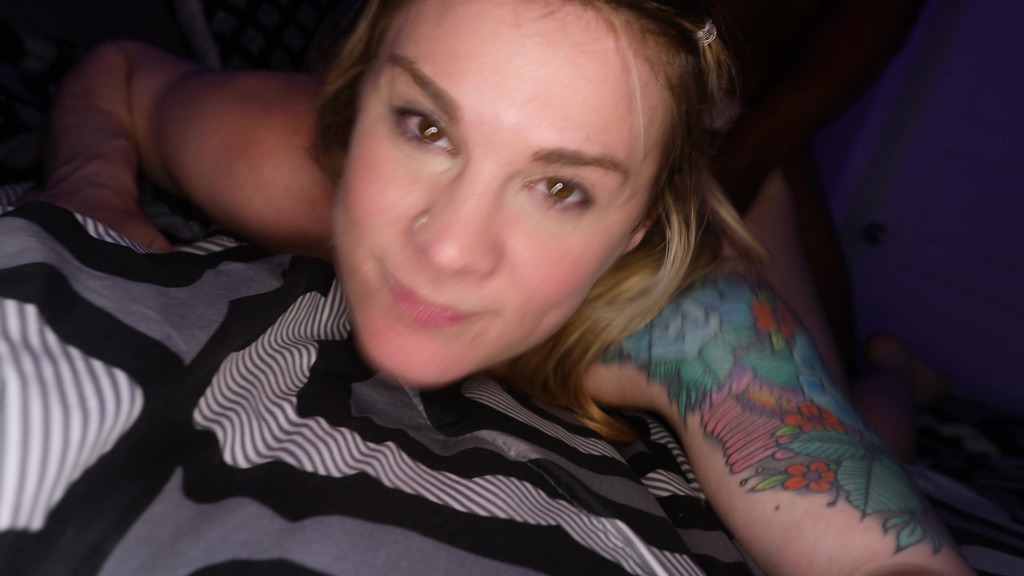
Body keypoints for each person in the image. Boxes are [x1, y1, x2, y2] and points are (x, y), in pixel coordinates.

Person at [21, 0, 970, 573]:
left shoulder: (692, 315)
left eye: (560, 188)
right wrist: (92, 186)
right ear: (358, 99)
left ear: (636, 228)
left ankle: (899, 375)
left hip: (744, 191)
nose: (449, 249)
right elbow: (122, 73)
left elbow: (867, 546)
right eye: (426, 128)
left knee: (867, 429)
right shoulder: (285, 161)